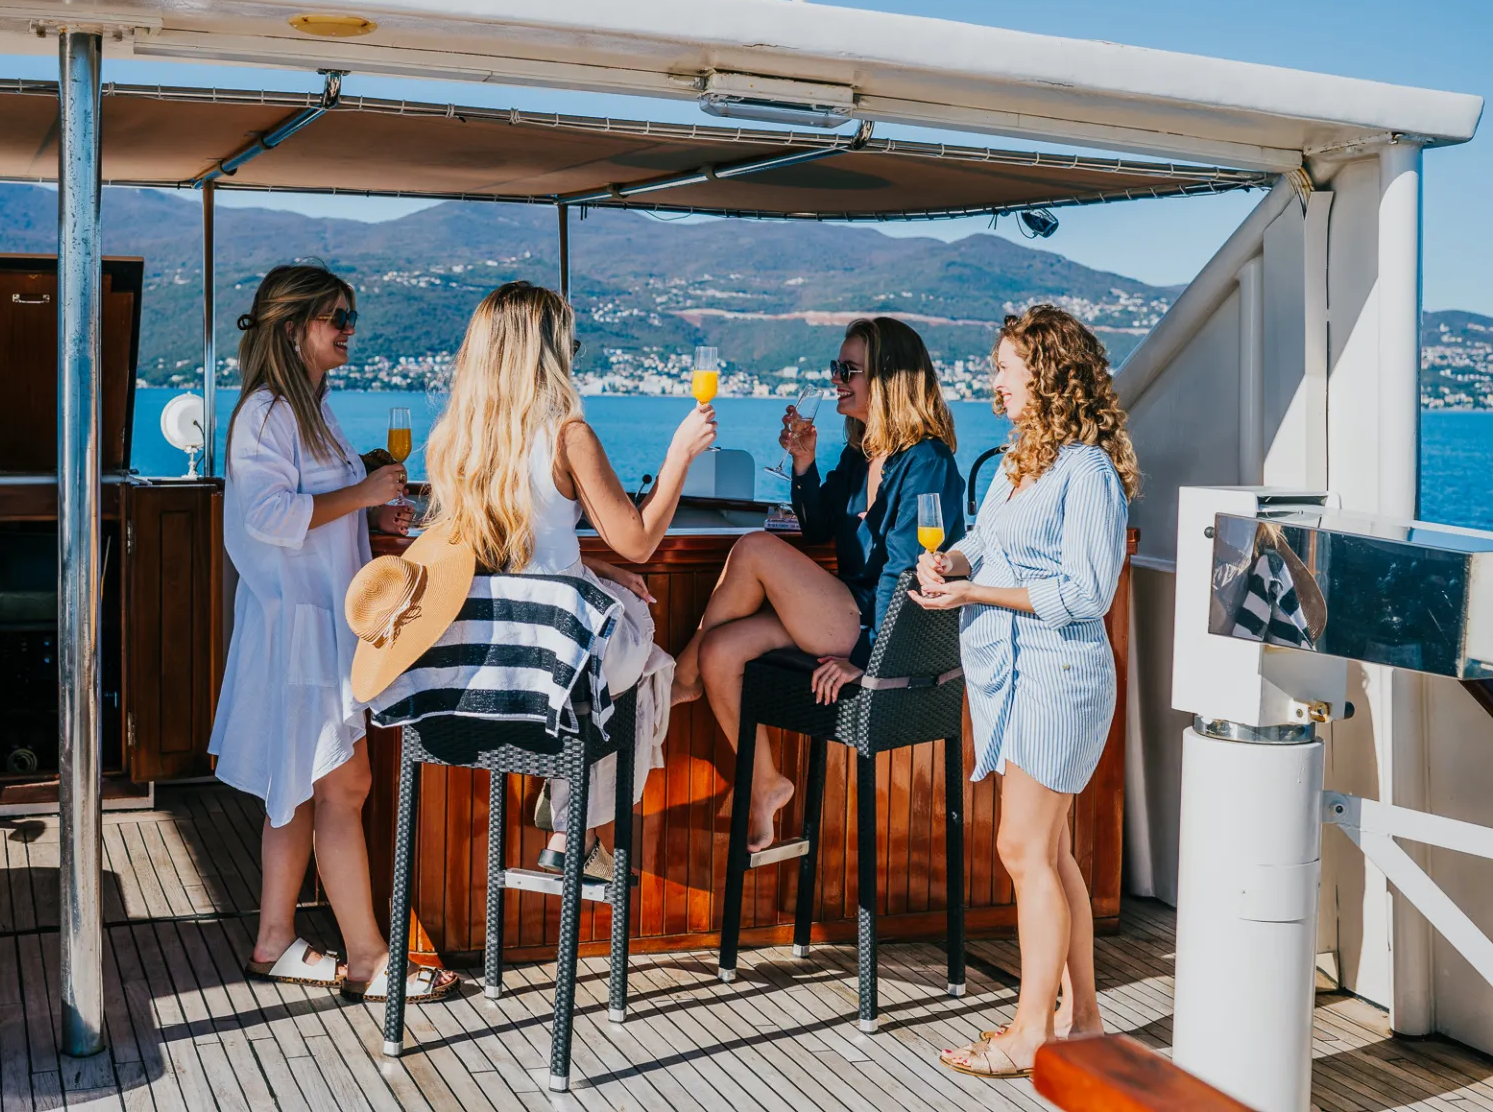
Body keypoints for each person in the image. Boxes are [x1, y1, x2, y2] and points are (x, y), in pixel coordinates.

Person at [208, 263, 459, 1005]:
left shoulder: (310, 409)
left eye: (351, 317)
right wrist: (365, 491)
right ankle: (369, 957)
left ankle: (274, 940)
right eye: (336, 318)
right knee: (345, 785)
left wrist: (371, 516)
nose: (349, 330)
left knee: (298, 791)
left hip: (316, 625)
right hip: (298, 628)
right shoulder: (267, 414)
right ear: (293, 329)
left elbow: (315, 508)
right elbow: (266, 517)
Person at [422, 282, 717, 880]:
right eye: (569, 344)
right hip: (557, 655)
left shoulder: (457, 438)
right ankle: (571, 822)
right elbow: (637, 540)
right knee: (636, 652)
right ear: (547, 352)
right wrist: (679, 456)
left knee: (619, 653)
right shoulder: (566, 434)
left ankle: (569, 814)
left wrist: (596, 568)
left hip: (487, 657)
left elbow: (494, 550)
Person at [911, 304, 1136, 1079]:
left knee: (1023, 847)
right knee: (1051, 849)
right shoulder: (1015, 463)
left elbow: (1085, 592)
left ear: (1045, 373)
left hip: (1061, 672)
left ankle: (1030, 1031)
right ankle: (1085, 1019)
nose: (994, 380)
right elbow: (990, 542)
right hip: (1013, 674)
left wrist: (977, 596)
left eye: (1005, 367)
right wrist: (955, 565)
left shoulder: (1088, 472)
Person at [673, 316, 964, 852]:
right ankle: (764, 783)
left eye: (848, 369)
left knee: (755, 549)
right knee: (721, 651)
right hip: (846, 611)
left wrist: (868, 660)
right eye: (837, 367)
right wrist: (805, 462)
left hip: (874, 632)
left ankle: (678, 678)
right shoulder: (862, 453)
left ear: (888, 378)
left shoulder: (927, 461)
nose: (837, 379)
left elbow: (909, 577)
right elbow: (817, 524)